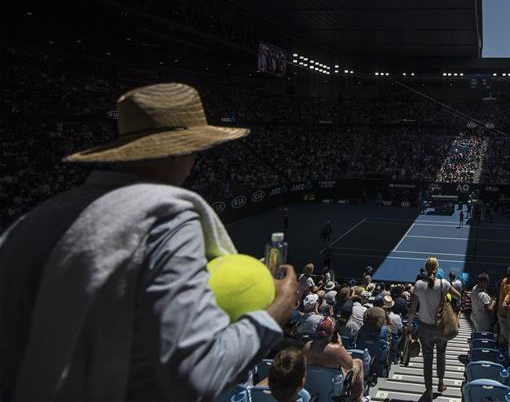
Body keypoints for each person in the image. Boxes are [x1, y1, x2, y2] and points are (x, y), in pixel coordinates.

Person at [0, 83, 299, 402]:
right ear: (176, 152)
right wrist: (275, 314)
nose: (195, 161)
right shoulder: (165, 216)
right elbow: (196, 375)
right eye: (196, 151)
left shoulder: (30, 222)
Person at [407, 257, 461, 398]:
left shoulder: (418, 284)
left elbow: (412, 309)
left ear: (426, 268)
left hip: (424, 328)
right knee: (441, 355)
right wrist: (446, 297)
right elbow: (458, 296)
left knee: (427, 360)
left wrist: (408, 325)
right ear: (437, 269)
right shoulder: (444, 283)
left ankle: (429, 391)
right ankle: (441, 383)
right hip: (441, 327)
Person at [302, 317, 365, 400]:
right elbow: (349, 366)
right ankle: (357, 398)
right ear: (332, 332)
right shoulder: (337, 350)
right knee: (359, 362)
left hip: (313, 385)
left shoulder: (307, 346)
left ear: (317, 330)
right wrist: (341, 345)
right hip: (334, 388)